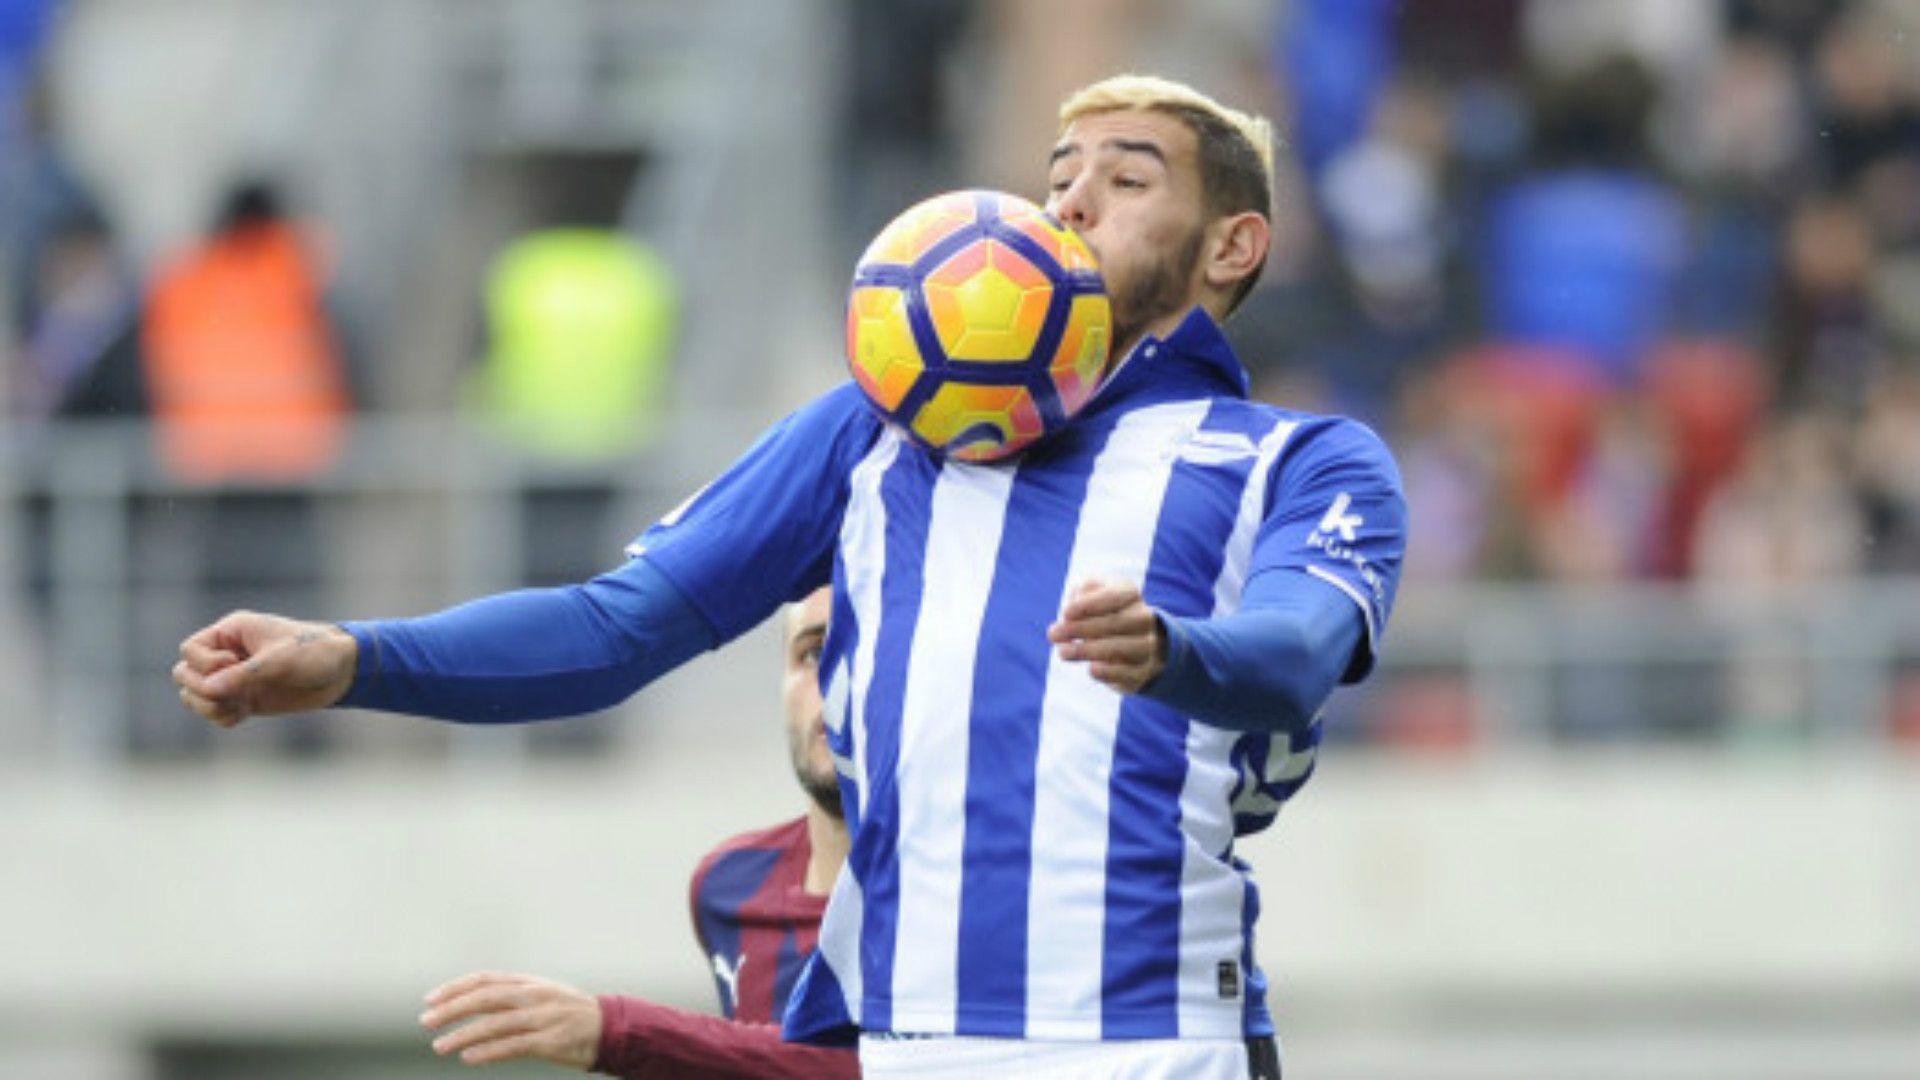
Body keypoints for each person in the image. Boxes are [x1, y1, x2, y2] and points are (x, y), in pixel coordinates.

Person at [175, 74, 1407, 1079]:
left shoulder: (1298, 458)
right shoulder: (873, 433)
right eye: (1058, 178)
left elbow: (1299, 652)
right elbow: (621, 627)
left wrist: (1175, 653)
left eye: (1127, 180)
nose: (1073, 203)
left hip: (1158, 1047)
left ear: (1232, 246)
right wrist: (357, 659)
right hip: (898, 1050)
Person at [417, 588, 858, 1079]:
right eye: (814, 653)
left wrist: (619, 1032)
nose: (838, 682)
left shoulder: (952, 890)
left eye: (867, 652)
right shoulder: (730, 886)